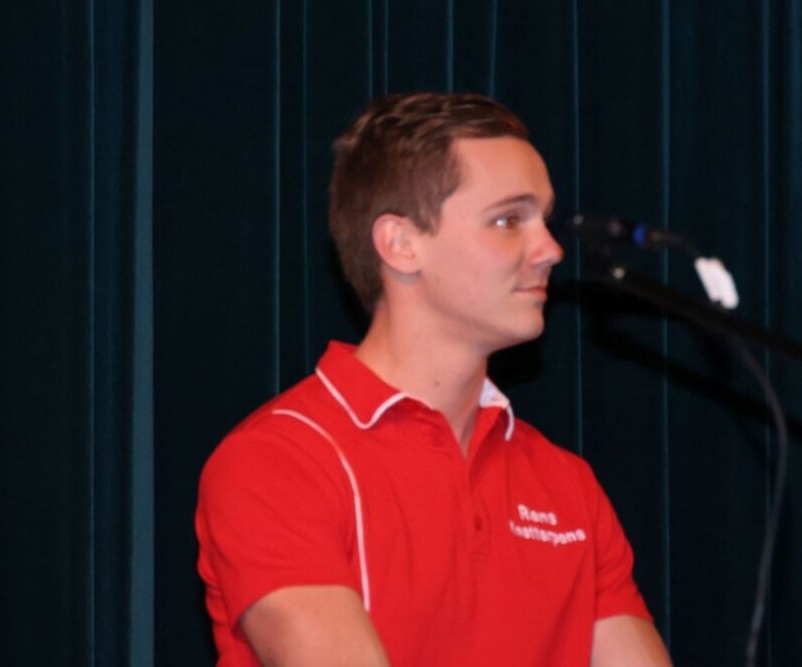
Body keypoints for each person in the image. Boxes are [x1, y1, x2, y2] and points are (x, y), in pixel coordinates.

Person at [195, 92, 672, 666]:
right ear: (401, 245)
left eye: (543, 221)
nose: (550, 250)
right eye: (508, 220)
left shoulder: (567, 484)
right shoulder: (280, 459)